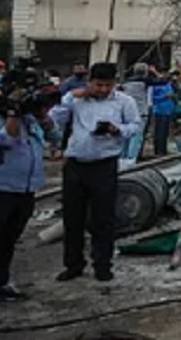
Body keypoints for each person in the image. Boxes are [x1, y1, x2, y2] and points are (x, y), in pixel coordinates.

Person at [48, 63, 140, 282]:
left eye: (108, 85)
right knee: (73, 218)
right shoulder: (76, 100)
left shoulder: (124, 101)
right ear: (89, 82)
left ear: (115, 83)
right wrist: (70, 97)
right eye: (98, 85)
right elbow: (54, 118)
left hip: (104, 164)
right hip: (76, 164)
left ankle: (102, 264)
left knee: (103, 218)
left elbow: (135, 126)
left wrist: (118, 129)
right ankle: (73, 264)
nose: (103, 89)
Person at [0, 88, 57, 311]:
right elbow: (8, 139)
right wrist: (12, 113)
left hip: (24, 190)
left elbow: (54, 136)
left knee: (7, 240)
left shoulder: (30, 119)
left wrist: (42, 115)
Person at [118, 63, 152, 159]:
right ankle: (131, 159)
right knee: (136, 137)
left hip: (126, 112)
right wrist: (154, 71)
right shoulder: (145, 82)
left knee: (126, 136)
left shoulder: (126, 83)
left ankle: (122, 158)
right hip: (140, 112)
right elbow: (163, 81)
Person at [150, 79, 176, 156]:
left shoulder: (168, 84)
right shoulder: (155, 85)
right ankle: (158, 151)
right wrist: (164, 96)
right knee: (159, 132)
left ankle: (163, 150)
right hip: (159, 111)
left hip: (168, 111)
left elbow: (172, 95)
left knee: (165, 132)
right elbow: (153, 99)